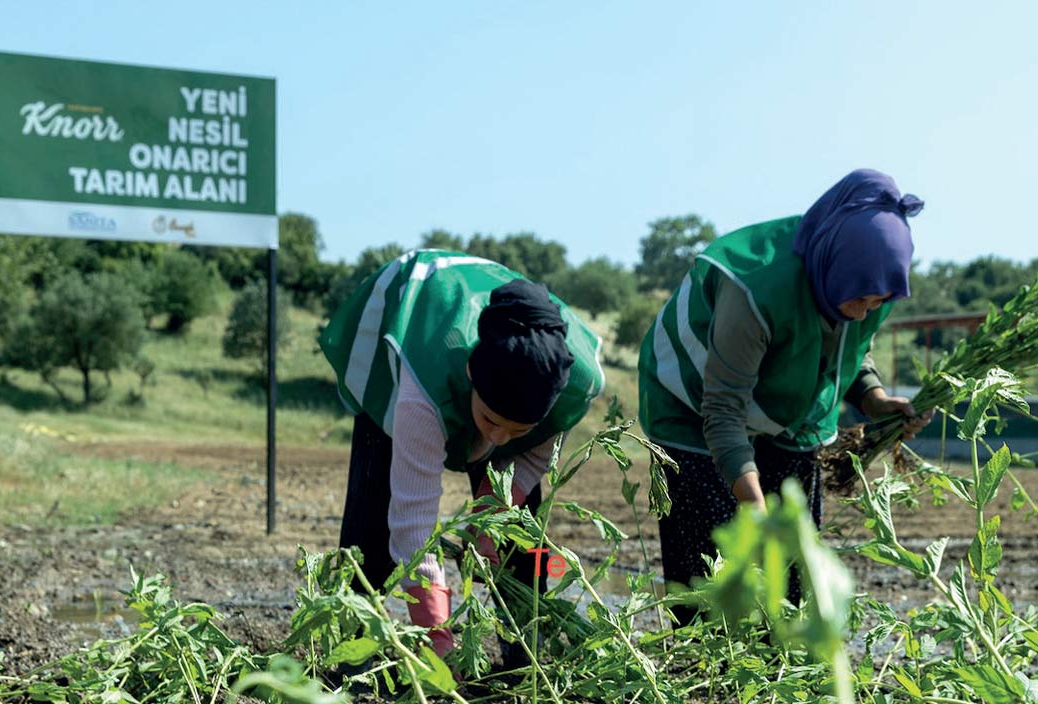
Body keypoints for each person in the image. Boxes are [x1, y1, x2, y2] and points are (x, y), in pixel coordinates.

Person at [637, 169, 933, 617]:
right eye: (860, 300)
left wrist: (873, 397)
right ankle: (700, 676)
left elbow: (850, 349)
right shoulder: (756, 289)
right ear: (832, 267)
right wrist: (754, 507)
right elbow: (721, 410)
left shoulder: (868, 285)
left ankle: (781, 663)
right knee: (715, 568)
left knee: (793, 566)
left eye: (876, 303)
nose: (864, 312)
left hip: (786, 411)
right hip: (693, 401)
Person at [319, 249, 605, 660]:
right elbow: (414, 525)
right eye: (491, 421)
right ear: (472, 375)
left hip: (491, 341)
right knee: (374, 522)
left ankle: (524, 652)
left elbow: (536, 455)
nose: (502, 439)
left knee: (518, 532)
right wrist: (437, 632)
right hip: (406, 314)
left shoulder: (573, 382)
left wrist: (495, 506)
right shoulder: (424, 381)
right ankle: (352, 647)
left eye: (519, 430)